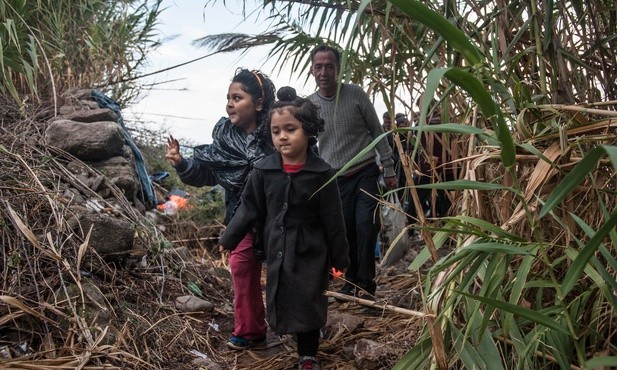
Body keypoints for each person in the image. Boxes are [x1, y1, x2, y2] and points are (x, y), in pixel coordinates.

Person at [219, 87, 350, 370]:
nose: (282, 136)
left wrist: (340, 260)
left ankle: (307, 354)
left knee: (310, 296)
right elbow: (249, 207)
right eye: (276, 131)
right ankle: (295, 332)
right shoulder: (264, 171)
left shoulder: (322, 173)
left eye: (290, 129)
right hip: (277, 246)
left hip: (312, 249)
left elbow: (333, 219)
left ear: (309, 131)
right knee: (281, 292)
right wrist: (230, 237)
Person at [165, 68, 276, 350]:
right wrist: (181, 163)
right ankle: (250, 331)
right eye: (228, 97)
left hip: (276, 217)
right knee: (240, 268)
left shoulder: (275, 135)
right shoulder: (225, 141)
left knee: (284, 272)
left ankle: (298, 327)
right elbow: (206, 173)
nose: (229, 103)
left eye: (237, 97)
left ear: (258, 104)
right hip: (241, 219)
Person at [308, 44, 397, 299]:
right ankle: (351, 282)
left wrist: (389, 168)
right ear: (312, 70)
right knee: (345, 231)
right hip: (334, 179)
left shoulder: (356, 94)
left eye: (329, 66)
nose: (324, 71)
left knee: (365, 226)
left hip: (364, 171)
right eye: (319, 66)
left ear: (338, 68)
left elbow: (377, 132)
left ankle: (366, 284)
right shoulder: (310, 106)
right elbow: (308, 146)